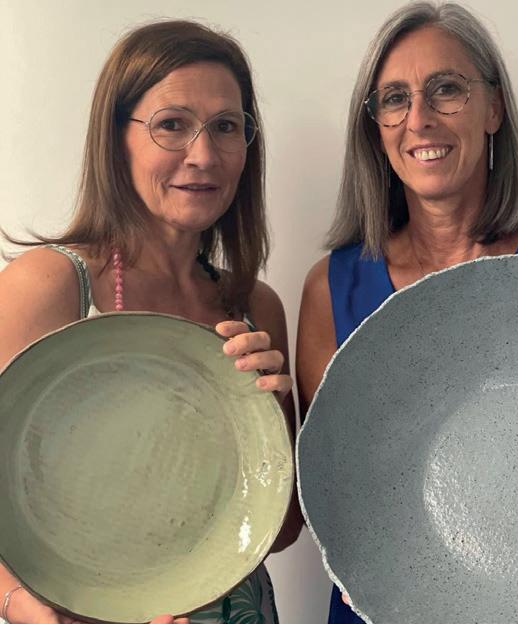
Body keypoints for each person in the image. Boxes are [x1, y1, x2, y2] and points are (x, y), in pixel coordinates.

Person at [295, 2, 518, 623]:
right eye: (394, 99)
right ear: (376, 127)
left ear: (493, 109)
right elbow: (334, 495)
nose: (418, 119)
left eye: (446, 89)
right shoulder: (331, 289)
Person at [0, 19, 302, 624]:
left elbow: (282, 528)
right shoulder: (51, 285)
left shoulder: (253, 305)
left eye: (227, 126)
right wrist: (21, 604)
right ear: (117, 141)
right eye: (172, 124)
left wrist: (271, 422)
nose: (204, 155)